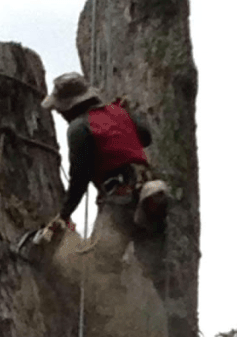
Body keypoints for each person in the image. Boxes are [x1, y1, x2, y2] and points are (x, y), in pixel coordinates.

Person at [41, 72, 168, 290]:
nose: (60, 114)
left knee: (100, 267)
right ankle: (161, 310)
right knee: (154, 269)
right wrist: (128, 115)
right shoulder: (119, 112)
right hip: (150, 192)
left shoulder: (79, 128)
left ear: (69, 106)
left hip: (120, 198)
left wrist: (63, 214)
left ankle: (111, 312)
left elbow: (79, 178)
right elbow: (145, 136)